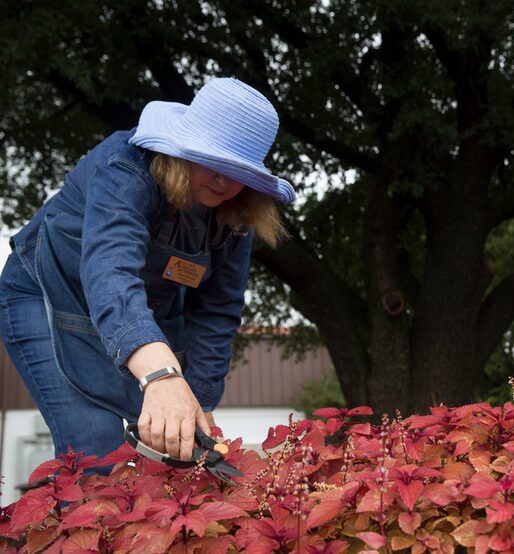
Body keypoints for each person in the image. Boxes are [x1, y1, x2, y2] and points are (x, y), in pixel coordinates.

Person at [0, 77, 295, 461]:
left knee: (162, 447)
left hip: (138, 317)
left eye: (237, 171)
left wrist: (200, 400)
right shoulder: (126, 166)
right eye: (213, 161)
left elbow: (217, 310)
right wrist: (162, 377)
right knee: (100, 450)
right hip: (49, 297)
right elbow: (111, 268)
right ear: (184, 148)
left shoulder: (235, 216)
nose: (225, 180)